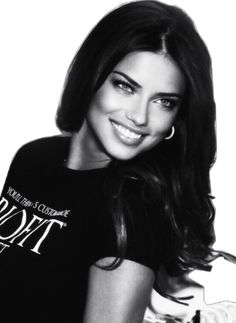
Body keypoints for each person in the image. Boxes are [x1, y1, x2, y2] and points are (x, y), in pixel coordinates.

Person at [0, 1, 235, 322]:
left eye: (164, 102)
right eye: (125, 86)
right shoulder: (33, 157)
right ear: (92, 75)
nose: (139, 116)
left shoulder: (135, 206)